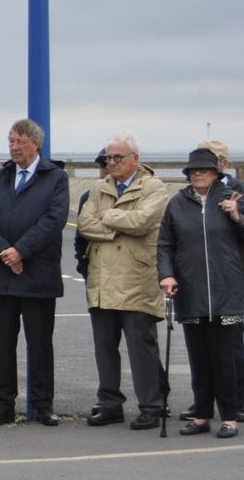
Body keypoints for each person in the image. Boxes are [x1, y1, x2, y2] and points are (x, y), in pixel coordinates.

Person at [0, 118, 70, 426]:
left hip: (38, 274)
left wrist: (21, 251)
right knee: (3, 344)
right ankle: (4, 405)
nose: (14, 147)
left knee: (39, 343)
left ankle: (42, 404)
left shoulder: (55, 178)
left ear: (36, 145)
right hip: (2, 273)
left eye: (20, 142)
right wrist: (6, 251)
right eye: (11, 141)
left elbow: (54, 220)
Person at [79, 134, 169, 431]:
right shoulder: (98, 187)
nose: (112, 163)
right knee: (104, 347)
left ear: (135, 159)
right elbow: (85, 224)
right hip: (102, 279)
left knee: (141, 348)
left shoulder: (154, 187)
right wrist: (117, 227)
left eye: (118, 157)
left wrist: (108, 216)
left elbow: (143, 222)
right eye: (109, 158)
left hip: (136, 279)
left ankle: (152, 406)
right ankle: (109, 404)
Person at [159, 147, 244, 438]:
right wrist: (166, 274)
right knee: (198, 357)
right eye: (193, 170)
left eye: (204, 170)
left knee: (225, 359)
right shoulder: (177, 203)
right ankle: (201, 415)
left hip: (226, 292)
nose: (198, 174)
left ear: (216, 173)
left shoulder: (234, 199)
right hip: (191, 291)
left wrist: (238, 217)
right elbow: (165, 244)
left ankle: (230, 417)